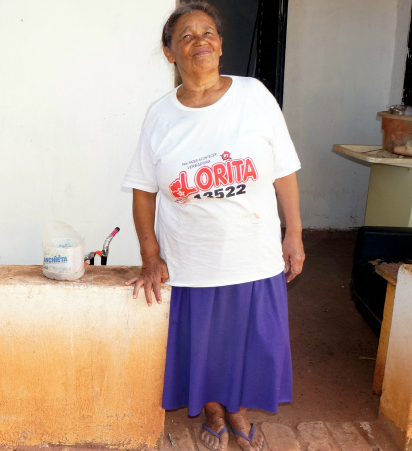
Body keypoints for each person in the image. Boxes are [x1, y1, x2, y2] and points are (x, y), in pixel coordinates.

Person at [121, 3, 304, 451]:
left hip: (252, 250)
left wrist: (294, 234)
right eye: (186, 36)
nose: (199, 41)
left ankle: (236, 409)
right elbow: (143, 191)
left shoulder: (254, 96)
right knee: (205, 341)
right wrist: (150, 255)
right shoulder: (160, 115)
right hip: (192, 256)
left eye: (208, 32)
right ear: (170, 53)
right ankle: (213, 410)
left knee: (247, 338)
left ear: (220, 45)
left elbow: (284, 172)